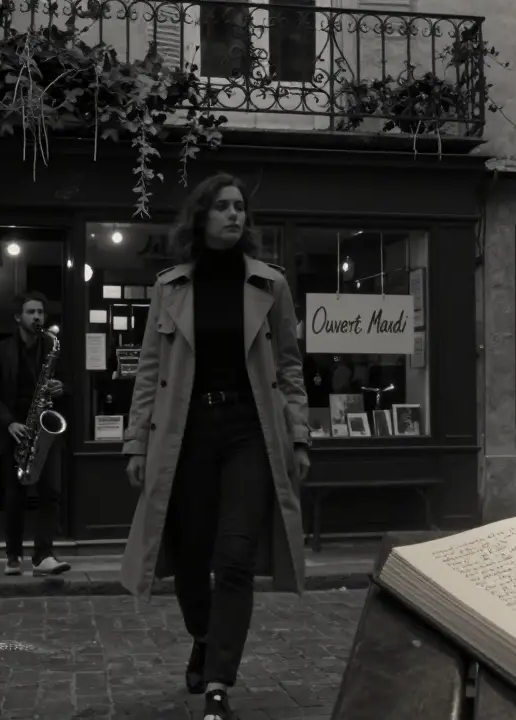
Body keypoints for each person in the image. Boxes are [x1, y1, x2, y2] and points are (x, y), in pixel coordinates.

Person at [118, 173, 311, 720]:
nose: (234, 215)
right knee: (190, 558)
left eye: (240, 208)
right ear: (201, 216)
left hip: (250, 431)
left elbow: (292, 369)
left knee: (235, 556)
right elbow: (150, 373)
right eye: (222, 207)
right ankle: (203, 638)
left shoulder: (270, 286)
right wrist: (136, 443)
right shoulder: (171, 287)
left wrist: (298, 436)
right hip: (186, 433)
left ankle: (219, 681)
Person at [0, 291, 72, 578]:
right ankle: (13, 555)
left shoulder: (52, 346)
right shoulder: (0, 350)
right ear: (18, 317)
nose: (37, 317)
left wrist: (62, 388)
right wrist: (9, 423)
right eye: (31, 312)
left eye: (40, 312)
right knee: (14, 497)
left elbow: (71, 386)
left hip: (44, 430)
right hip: (15, 432)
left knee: (51, 494)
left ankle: (43, 556)